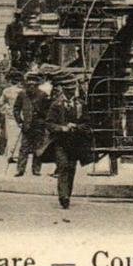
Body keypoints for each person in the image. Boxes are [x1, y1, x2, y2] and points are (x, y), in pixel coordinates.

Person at [43, 72, 89, 209]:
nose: (70, 93)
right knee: (63, 166)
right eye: (67, 90)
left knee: (71, 168)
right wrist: (62, 128)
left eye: (72, 90)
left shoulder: (80, 104)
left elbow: (87, 124)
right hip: (60, 142)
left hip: (75, 143)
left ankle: (67, 193)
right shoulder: (56, 105)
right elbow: (49, 124)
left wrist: (76, 127)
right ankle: (64, 197)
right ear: (63, 90)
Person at [13, 70, 51, 177]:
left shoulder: (43, 95)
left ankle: (36, 169)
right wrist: (19, 122)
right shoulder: (22, 94)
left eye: (34, 81)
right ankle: (20, 170)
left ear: (37, 83)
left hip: (39, 125)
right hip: (27, 125)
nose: (31, 84)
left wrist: (44, 122)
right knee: (24, 148)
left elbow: (48, 111)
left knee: (38, 148)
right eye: (29, 81)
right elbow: (16, 109)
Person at [0, 72, 24, 161]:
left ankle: (10, 154)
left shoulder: (6, 91)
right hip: (20, 114)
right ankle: (16, 154)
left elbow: (0, 102)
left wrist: (5, 109)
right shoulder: (22, 91)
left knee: (10, 134)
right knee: (18, 135)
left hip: (10, 114)